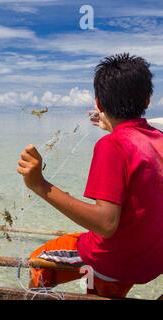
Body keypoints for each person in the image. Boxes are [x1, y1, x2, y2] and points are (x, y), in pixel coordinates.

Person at [17, 53, 163, 298]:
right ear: (147, 99)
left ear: (98, 102)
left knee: (38, 262)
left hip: (116, 261)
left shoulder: (112, 145)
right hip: (151, 262)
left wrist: (39, 184)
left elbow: (106, 224)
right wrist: (113, 125)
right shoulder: (158, 140)